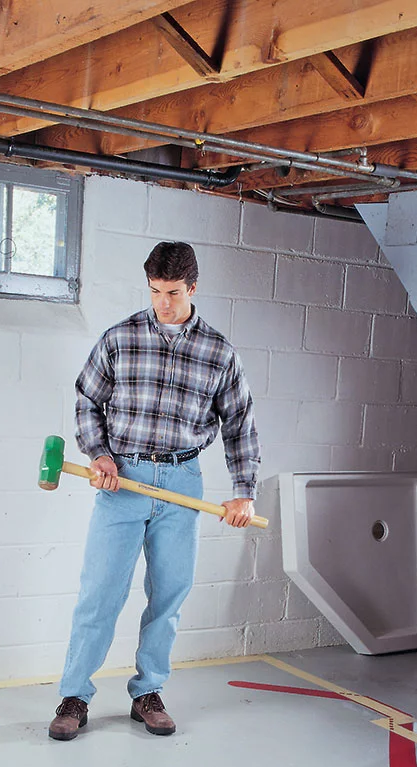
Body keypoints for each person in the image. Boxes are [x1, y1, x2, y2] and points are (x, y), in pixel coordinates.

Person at [48, 241, 260, 741]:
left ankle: (148, 692)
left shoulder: (219, 352)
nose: (163, 303)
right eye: (155, 291)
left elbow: (240, 424)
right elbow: (87, 400)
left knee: (169, 594)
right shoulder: (119, 339)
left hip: (183, 481)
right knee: (100, 593)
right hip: (123, 479)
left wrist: (244, 491)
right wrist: (98, 453)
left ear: (193, 287)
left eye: (173, 292)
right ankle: (75, 696)